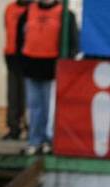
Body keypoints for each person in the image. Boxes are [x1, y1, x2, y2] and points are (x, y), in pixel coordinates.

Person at [19, 0, 78, 155]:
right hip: (31, 65)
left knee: (50, 107)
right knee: (34, 107)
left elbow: (73, 42)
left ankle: (49, 140)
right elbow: (20, 38)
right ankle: (34, 140)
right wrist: (21, 61)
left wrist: (66, 65)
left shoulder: (65, 14)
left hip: (53, 68)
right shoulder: (28, 11)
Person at [4, 0, 32, 140]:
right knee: (13, 95)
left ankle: (30, 128)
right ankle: (13, 128)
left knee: (28, 96)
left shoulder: (33, 9)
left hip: (29, 58)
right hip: (12, 57)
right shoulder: (9, 8)